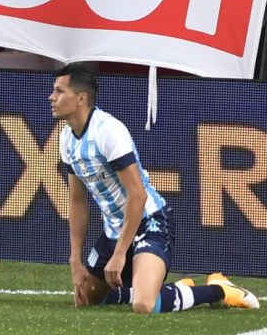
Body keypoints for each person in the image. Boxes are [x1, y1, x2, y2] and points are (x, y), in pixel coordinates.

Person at [50, 65, 258, 313]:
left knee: (144, 305)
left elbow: (138, 195)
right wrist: (75, 259)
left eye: (59, 91)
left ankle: (220, 290)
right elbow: (77, 200)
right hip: (114, 230)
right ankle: (165, 288)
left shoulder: (107, 131)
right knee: (86, 298)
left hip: (149, 221)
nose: (51, 97)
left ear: (80, 98)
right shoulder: (66, 139)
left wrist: (120, 253)